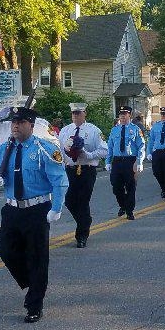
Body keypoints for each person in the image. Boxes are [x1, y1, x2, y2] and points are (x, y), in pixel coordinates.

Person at [0, 107, 68, 322]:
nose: (15, 125)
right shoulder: (4, 149)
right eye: (14, 122)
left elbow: (59, 179)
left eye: (21, 122)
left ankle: (35, 303)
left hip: (37, 209)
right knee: (6, 251)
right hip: (12, 208)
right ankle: (31, 283)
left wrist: (56, 208)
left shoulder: (45, 149)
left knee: (37, 257)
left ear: (31, 126)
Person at [58, 103, 108, 248]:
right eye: (73, 113)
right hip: (70, 170)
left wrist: (88, 154)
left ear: (84, 113)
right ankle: (85, 221)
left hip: (87, 170)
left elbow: (104, 150)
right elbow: (59, 152)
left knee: (83, 201)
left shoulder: (94, 130)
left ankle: (82, 236)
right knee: (69, 200)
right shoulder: (65, 130)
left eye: (78, 113)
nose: (75, 115)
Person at [106, 106, 145, 220]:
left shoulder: (136, 129)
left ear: (129, 115)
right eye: (120, 114)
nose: (122, 116)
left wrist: (139, 162)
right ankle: (123, 205)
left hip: (130, 161)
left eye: (125, 114)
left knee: (130, 186)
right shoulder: (115, 130)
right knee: (116, 185)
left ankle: (129, 210)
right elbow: (110, 147)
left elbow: (141, 146)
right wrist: (108, 161)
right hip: (117, 161)